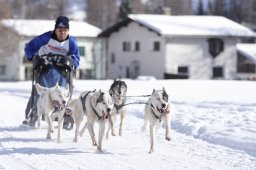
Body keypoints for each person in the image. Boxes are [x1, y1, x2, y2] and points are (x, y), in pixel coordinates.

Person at [23, 16, 80, 129]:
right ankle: (33, 111)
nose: (62, 33)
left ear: (68, 31)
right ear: (55, 30)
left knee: (67, 89)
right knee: (38, 89)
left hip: (62, 69)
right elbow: (29, 48)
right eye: (59, 30)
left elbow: (76, 58)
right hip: (44, 67)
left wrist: (72, 63)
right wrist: (33, 58)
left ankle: (66, 113)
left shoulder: (71, 42)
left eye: (65, 30)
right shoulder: (46, 37)